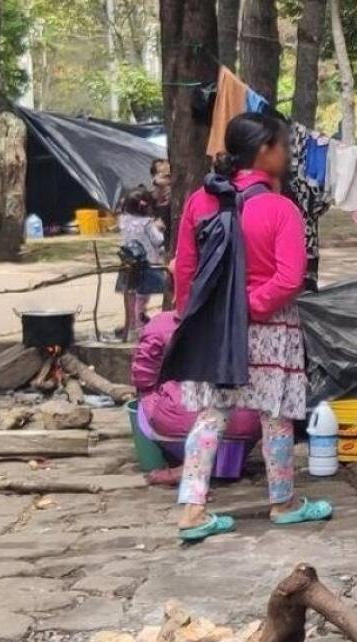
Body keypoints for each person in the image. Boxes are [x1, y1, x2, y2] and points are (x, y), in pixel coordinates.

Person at [171, 112, 333, 541]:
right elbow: (289, 278)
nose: (287, 154)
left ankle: (192, 509)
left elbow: (184, 269)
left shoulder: (201, 202)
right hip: (271, 326)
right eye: (283, 145)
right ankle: (283, 503)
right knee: (276, 417)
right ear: (265, 151)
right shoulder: (281, 209)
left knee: (210, 416)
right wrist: (251, 307)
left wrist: (195, 316)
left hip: (215, 327)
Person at [132, 311, 262, 486]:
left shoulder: (162, 323)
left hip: (181, 425)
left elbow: (142, 377)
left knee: (146, 401)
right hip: (245, 426)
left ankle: (187, 465)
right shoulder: (246, 317)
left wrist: (152, 396)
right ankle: (226, 466)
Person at [115, 186, 167, 341]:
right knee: (142, 296)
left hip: (128, 262)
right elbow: (158, 240)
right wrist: (160, 228)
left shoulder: (123, 221)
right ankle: (140, 325)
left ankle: (130, 323)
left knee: (130, 293)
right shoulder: (147, 223)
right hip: (147, 263)